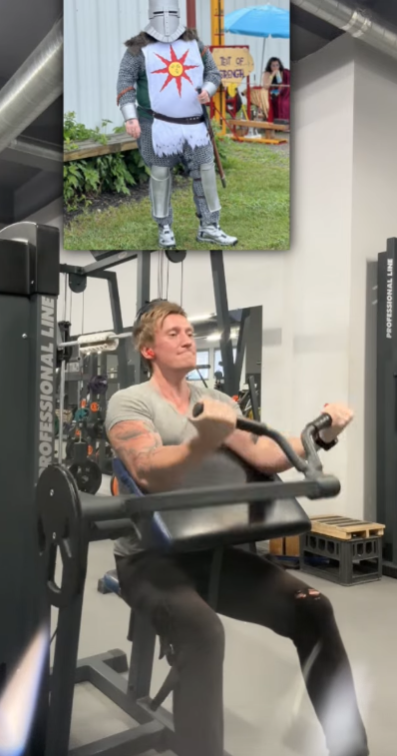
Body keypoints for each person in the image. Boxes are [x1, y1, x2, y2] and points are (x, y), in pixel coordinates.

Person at [105, 299, 369, 756]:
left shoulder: (215, 403)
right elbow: (147, 471)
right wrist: (202, 441)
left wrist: (319, 434)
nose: (187, 339)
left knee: (313, 608)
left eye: (190, 332)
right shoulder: (131, 402)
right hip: (148, 560)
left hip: (210, 552)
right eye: (174, 333)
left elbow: (265, 452)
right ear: (148, 349)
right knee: (203, 633)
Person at [116, 0, 237, 249]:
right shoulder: (137, 49)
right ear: (152, 13)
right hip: (156, 123)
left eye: (171, 12)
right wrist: (130, 117)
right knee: (160, 173)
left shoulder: (193, 43)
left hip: (194, 124)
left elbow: (212, 72)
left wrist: (207, 90)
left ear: (178, 12)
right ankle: (164, 228)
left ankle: (209, 227)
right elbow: (125, 83)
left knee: (205, 170)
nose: (166, 18)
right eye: (162, 12)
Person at [262, 56, 290, 122]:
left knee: (284, 103)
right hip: (270, 94)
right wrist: (272, 75)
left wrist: (278, 75)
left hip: (280, 93)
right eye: (273, 65)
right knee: (277, 102)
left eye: (277, 65)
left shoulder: (282, 72)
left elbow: (281, 85)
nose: (275, 67)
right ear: (270, 66)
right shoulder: (267, 73)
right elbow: (266, 86)